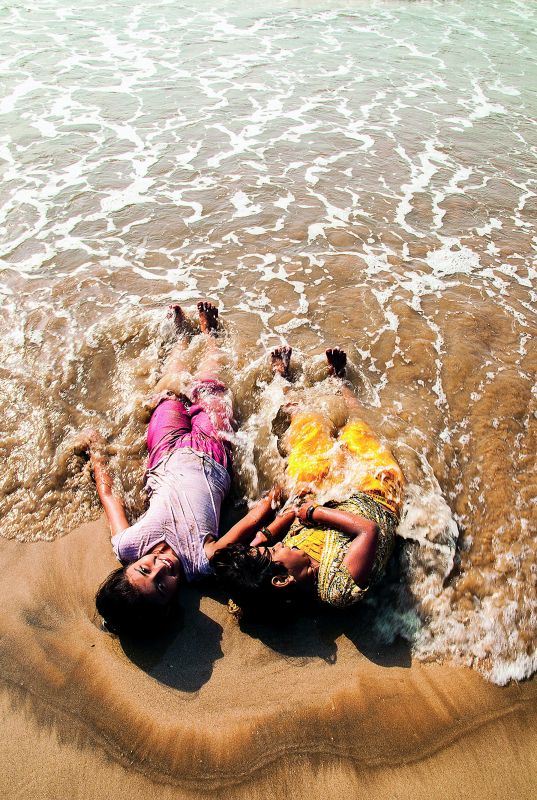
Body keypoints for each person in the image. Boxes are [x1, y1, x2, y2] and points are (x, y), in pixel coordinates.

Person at [81, 302, 281, 637]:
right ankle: (209, 335)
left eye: (145, 569)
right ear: (173, 603)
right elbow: (247, 524)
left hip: (164, 451)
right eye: (162, 585)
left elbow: (110, 498)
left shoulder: (128, 545)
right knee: (209, 385)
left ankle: (181, 340)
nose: (161, 568)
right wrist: (275, 496)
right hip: (212, 451)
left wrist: (97, 457)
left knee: (169, 392)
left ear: (132, 564)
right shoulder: (200, 563)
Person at [211, 345, 405, 617]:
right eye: (272, 552)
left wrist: (262, 539)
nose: (276, 545)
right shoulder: (335, 588)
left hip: (324, 494)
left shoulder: (261, 581)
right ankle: (340, 380)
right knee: (357, 431)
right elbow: (368, 531)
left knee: (306, 428)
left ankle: (285, 382)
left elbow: (240, 593)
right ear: (282, 580)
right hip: (373, 495)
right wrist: (315, 512)